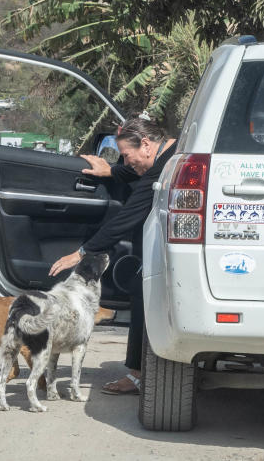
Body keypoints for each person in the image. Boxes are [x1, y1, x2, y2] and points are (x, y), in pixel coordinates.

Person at [48, 117, 176, 395]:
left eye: (127, 156)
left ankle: (139, 376)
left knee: (145, 301)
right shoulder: (169, 156)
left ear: (145, 144)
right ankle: (138, 372)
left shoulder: (168, 164)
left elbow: (129, 215)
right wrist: (113, 171)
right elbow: (139, 173)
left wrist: (83, 252)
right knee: (141, 298)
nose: (127, 162)